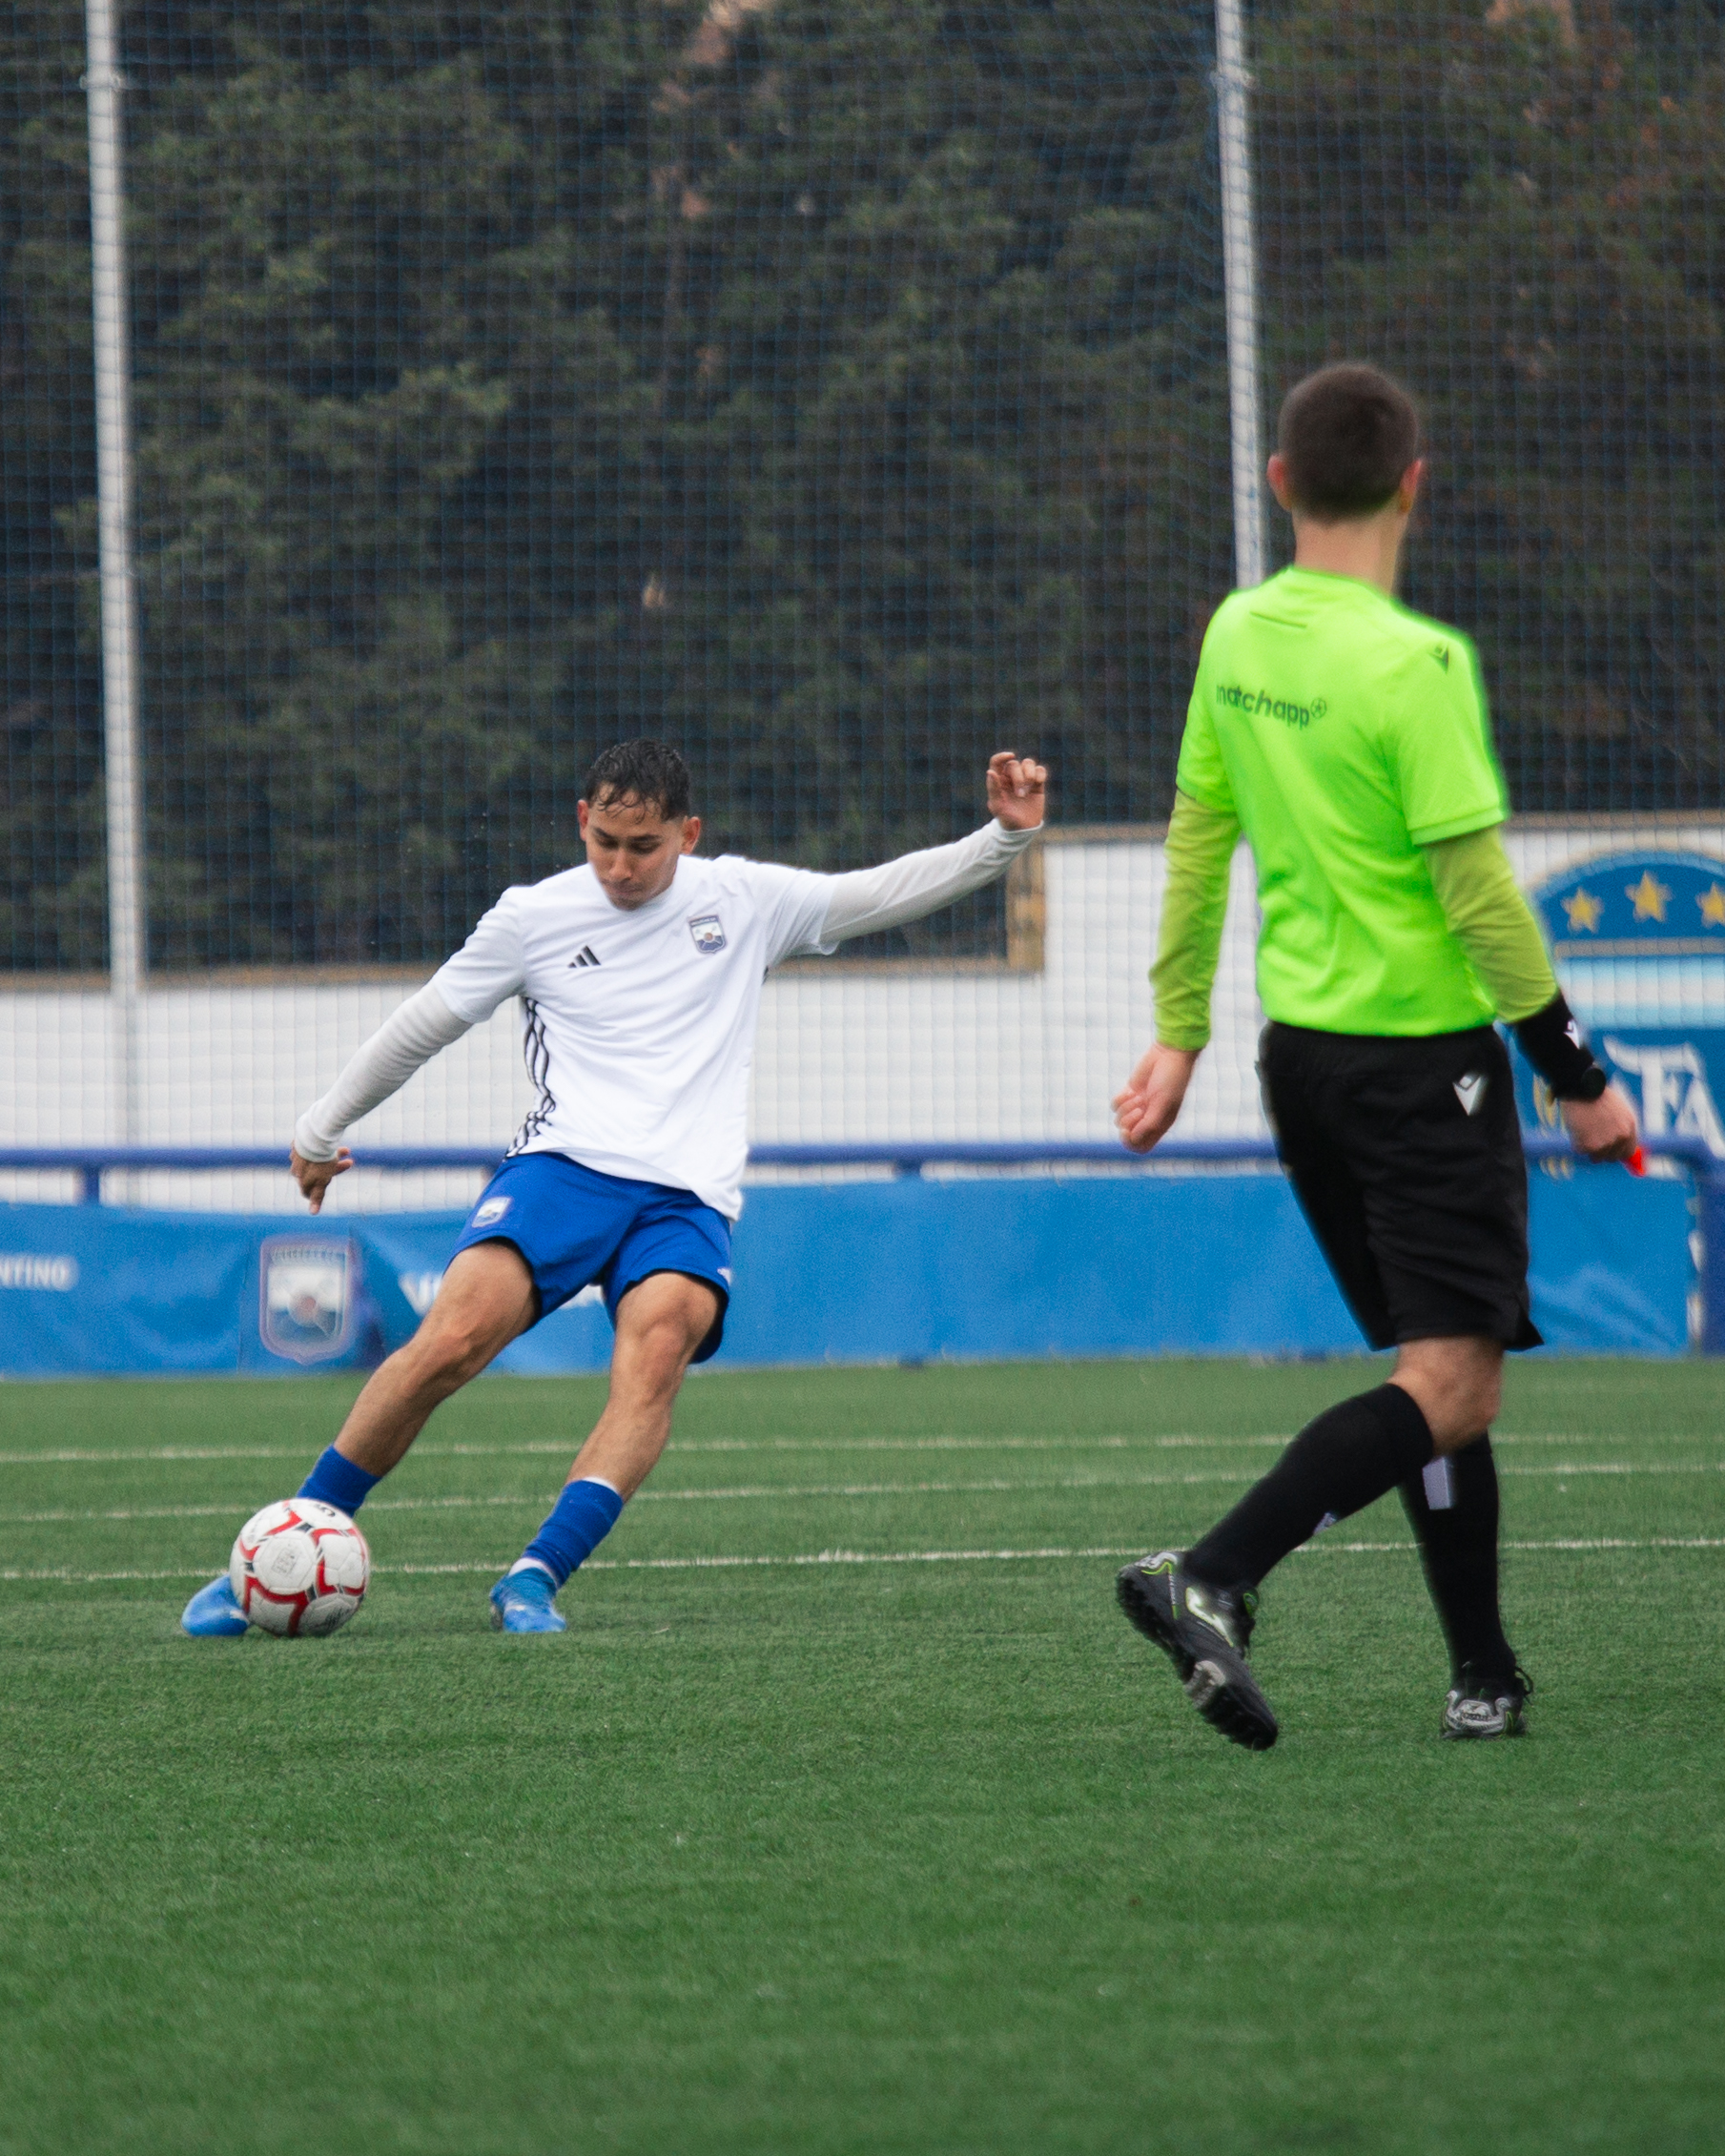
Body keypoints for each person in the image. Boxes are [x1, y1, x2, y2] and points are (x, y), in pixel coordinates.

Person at [182, 739, 1046, 1636]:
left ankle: (532, 1580)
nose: (621, 867)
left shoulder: (745, 900)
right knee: (450, 1342)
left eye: (644, 846)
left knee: (656, 1354)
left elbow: (885, 891)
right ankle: (273, 1559)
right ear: (580, 822)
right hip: (563, 1170)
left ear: (688, 833)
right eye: (604, 842)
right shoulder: (532, 916)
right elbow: (422, 1022)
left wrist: (1004, 838)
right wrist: (320, 1128)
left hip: (685, 1198)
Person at [1111, 363, 1638, 1748]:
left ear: (1280, 482)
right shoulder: (1417, 664)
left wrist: (1176, 1033)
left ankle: (1483, 1673)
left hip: (1303, 1067)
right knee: (1453, 1383)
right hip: (1421, 1068)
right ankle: (1213, 1572)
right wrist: (1576, 1075)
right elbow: (1481, 903)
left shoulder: (1237, 633)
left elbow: (1196, 845)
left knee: (1434, 1373)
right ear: (1415, 483)